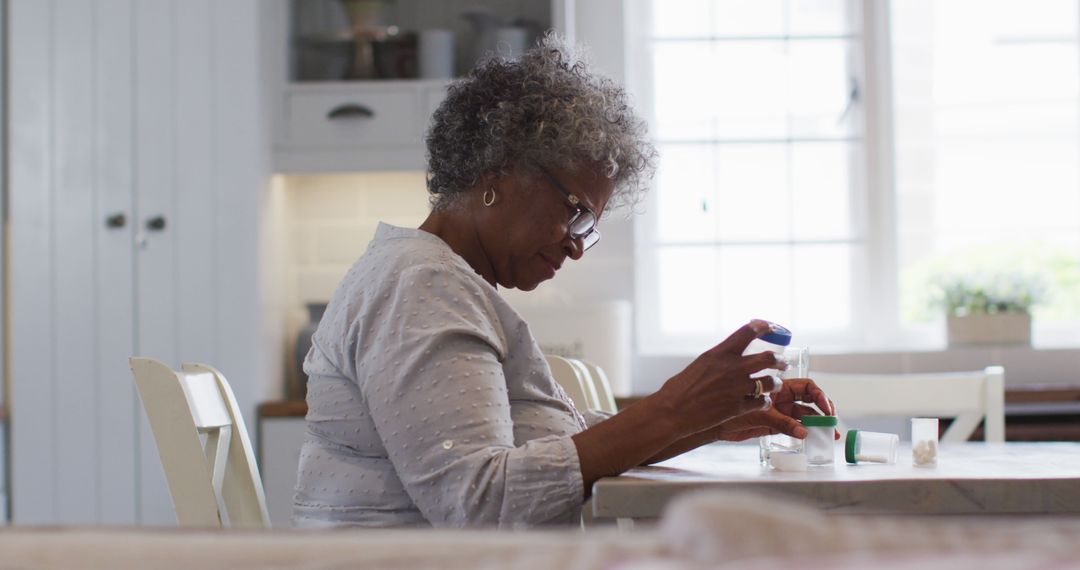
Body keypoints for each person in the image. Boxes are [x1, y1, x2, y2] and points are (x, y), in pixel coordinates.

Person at [292, 35, 834, 529]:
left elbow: (542, 444)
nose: (578, 245)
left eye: (589, 228)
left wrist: (715, 416)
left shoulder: (436, 278)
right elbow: (479, 500)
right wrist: (672, 407)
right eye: (576, 213)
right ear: (497, 175)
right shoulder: (421, 286)